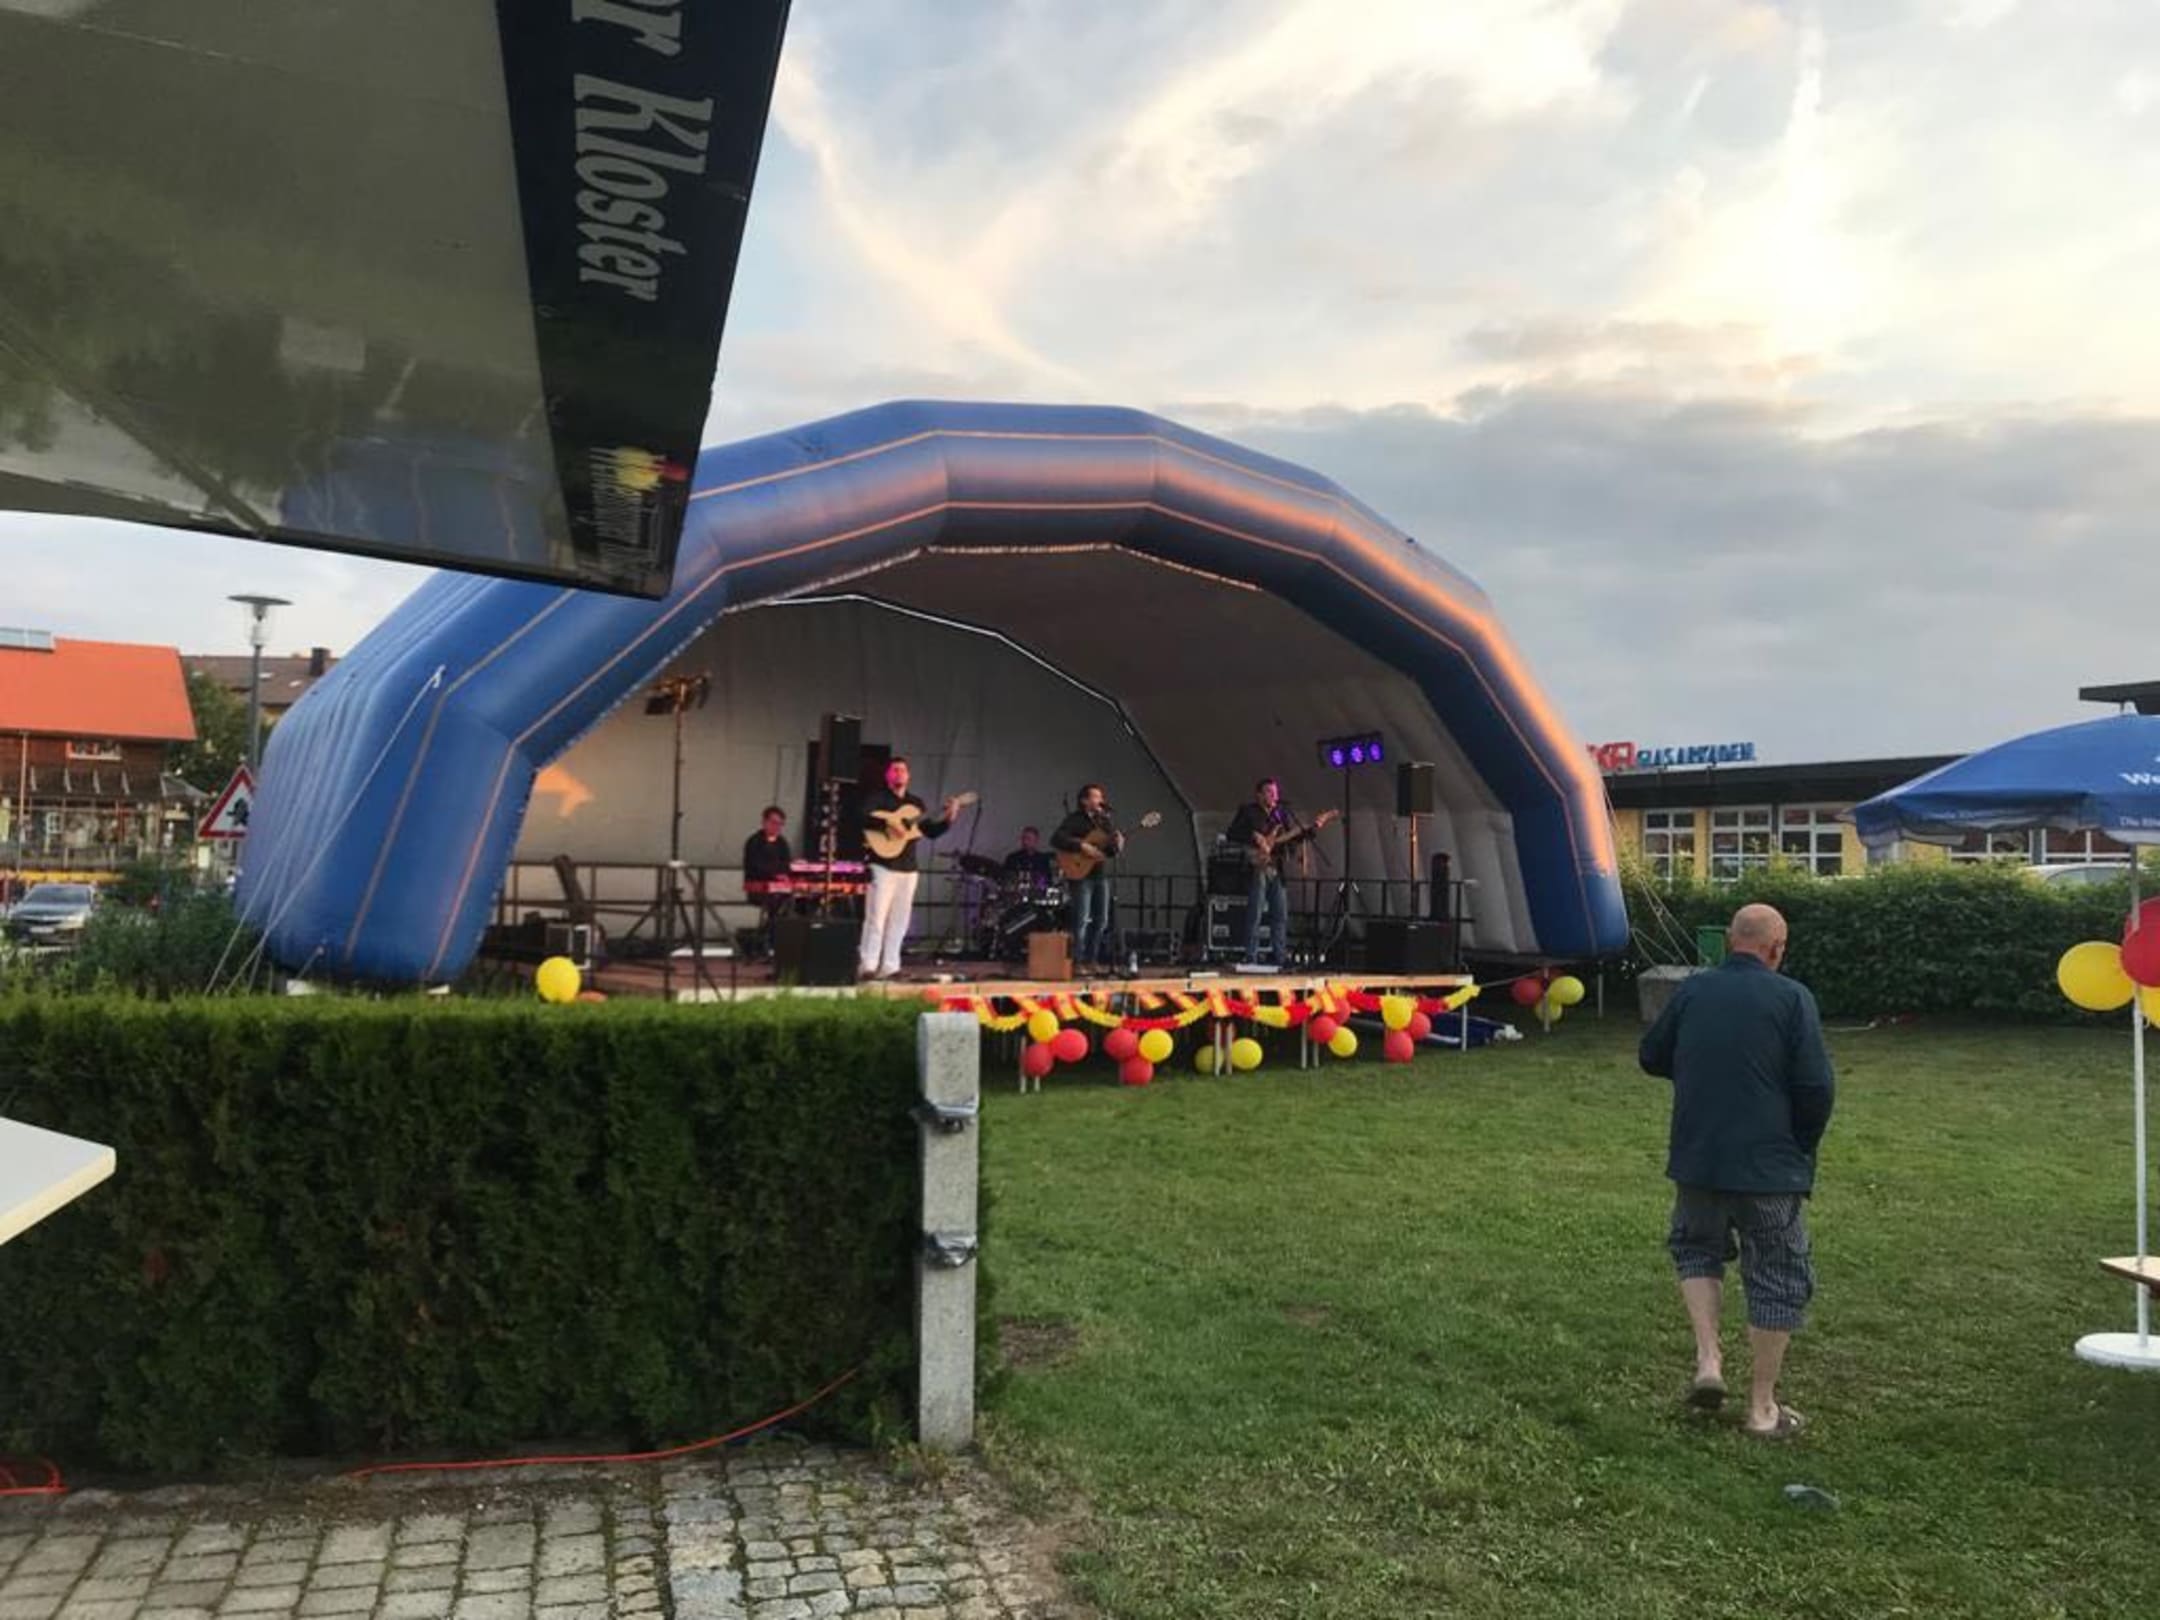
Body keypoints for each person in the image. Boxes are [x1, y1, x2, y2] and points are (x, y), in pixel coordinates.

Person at [1638, 903, 1835, 1439]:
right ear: (1777, 949)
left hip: (1698, 1158)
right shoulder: (1793, 998)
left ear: (1730, 941)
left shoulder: (1694, 991)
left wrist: (1701, 1067)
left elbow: (1652, 1056)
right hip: (1769, 1167)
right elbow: (1815, 1087)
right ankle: (1762, 1408)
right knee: (1777, 1274)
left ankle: (1709, 1360)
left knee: (1695, 1248)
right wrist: (1801, 1145)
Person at [857, 757, 960, 979]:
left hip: (908, 867)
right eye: (895, 770)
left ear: (908, 776)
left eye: (903, 770)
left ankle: (891, 966)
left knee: (900, 919)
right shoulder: (877, 798)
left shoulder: (916, 804)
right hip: (882, 865)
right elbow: (862, 817)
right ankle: (868, 964)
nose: (899, 773)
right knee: (876, 916)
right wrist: (889, 823)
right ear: (887, 775)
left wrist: (949, 818)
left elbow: (929, 831)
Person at [1225, 778, 1297, 969]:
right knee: (1255, 912)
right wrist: (1253, 835)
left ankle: (1280, 956)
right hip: (1256, 867)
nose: (1274, 796)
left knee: (1279, 913)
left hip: (1276, 867)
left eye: (1275, 792)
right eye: (1269, 792)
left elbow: (1290, 839)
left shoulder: (1281, 814)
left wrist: (1293, 846)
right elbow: (1232, 833)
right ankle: (1251, 955)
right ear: (1259, 795)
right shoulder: (1248, 811)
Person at [1050, 787, 1123, 968]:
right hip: (1080, 875)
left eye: (1101, 796)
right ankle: (1077, 961)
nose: (1101, 800)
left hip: (1100, 874)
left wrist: (1118, 845)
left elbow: (1108, 851)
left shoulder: (1104, 821)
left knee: (1101, 920)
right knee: (1081, 919)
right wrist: (1081, 846)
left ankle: (1091, 960)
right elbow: (1057, 839)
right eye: (1096, 796)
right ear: (1084, 800)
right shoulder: (1075, 819)